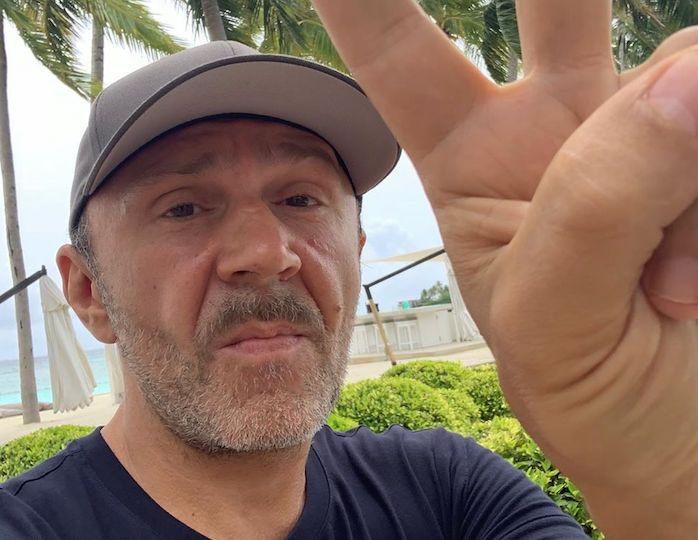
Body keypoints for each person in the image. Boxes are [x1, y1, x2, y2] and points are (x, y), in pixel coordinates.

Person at [0, 0, 695, 537]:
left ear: (356, 251)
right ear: (87, 291)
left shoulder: (450, 495)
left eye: (300, 199)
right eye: (183, 208)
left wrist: (661, 478)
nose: (268, 254)